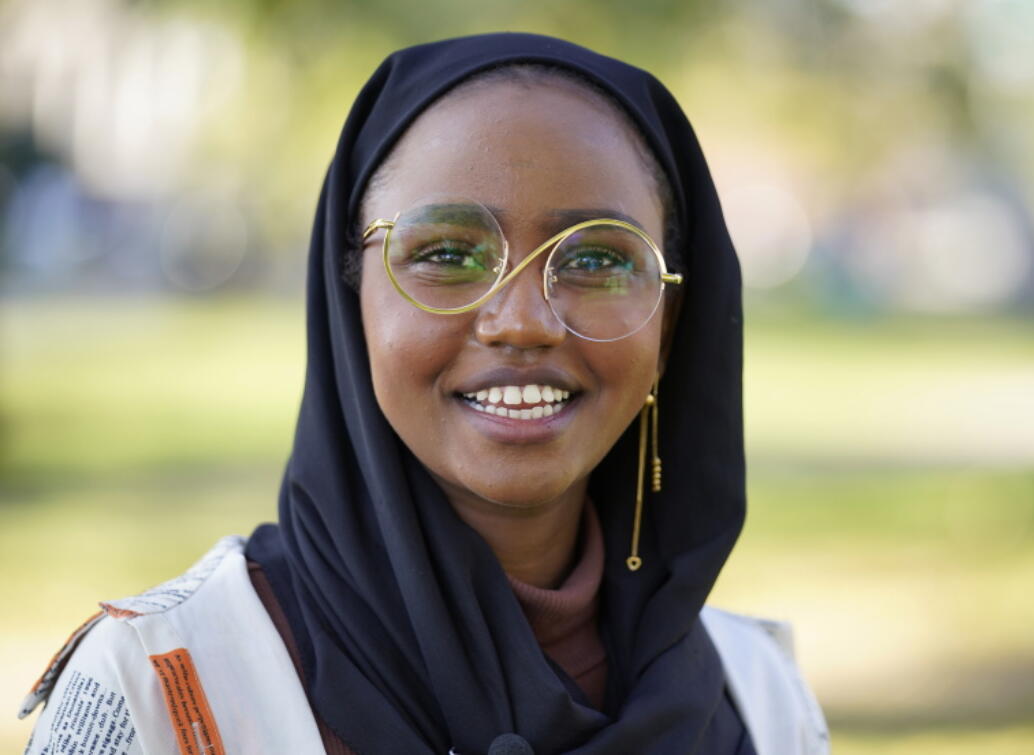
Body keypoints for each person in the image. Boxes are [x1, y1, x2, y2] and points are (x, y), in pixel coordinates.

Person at [19, 33, 830, 754]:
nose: (522, 321)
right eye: (446, 251)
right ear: (351, 300)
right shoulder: (166, 689)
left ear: (670, 322)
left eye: (594, 260)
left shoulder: (757, 698)